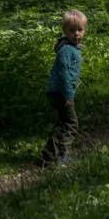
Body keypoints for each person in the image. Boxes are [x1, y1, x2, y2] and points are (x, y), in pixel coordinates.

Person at [40, 9, 87, 167]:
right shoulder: (66, 50)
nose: (76, 34)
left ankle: (47, 156)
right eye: (72, 30)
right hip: (61, 93)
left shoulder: (72, 48)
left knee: (62, 123)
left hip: (60, 92)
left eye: (80, 30)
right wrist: (68, 96)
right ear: (65, 31)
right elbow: (64, 74)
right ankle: (62, 156)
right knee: (71, 124)